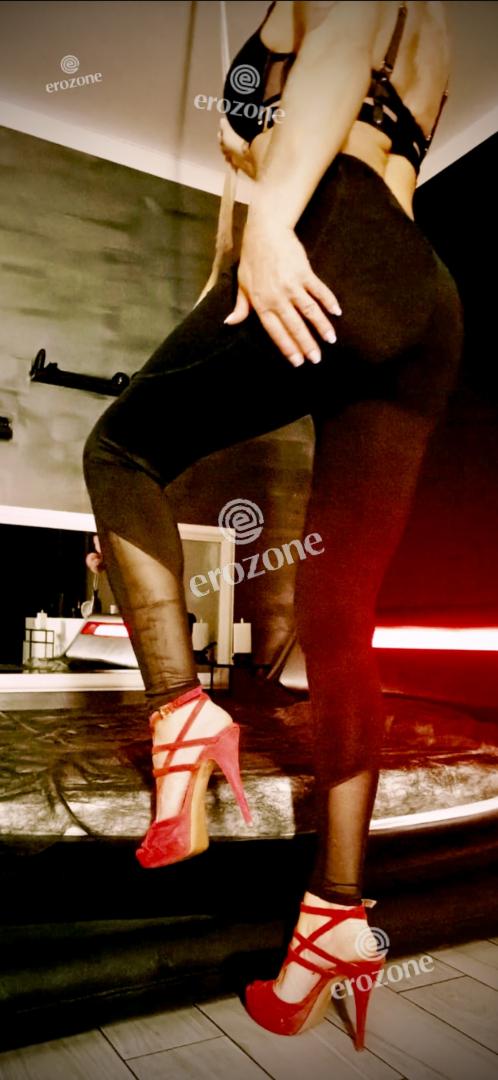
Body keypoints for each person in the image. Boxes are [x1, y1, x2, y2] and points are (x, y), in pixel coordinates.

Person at [83, 0, 463, 1047]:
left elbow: (338, 42)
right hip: (423, 299)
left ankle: (181, 715)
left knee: (120, 451)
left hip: (332, 227)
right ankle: (336, 916)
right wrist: (246, 230)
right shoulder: (435, 28)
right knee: (341, 619)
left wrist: (270, 226)